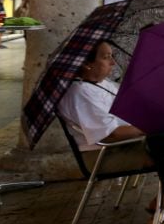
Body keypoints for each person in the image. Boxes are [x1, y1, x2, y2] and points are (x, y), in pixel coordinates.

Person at [56, 40, 147, 170]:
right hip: (106, 154)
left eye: (111, 56)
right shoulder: (80, 93)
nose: (113, 62)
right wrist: (150, 128)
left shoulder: (102, 82)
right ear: (86, 63)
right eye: (106, 57)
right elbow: (111, 134)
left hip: (130, 143)